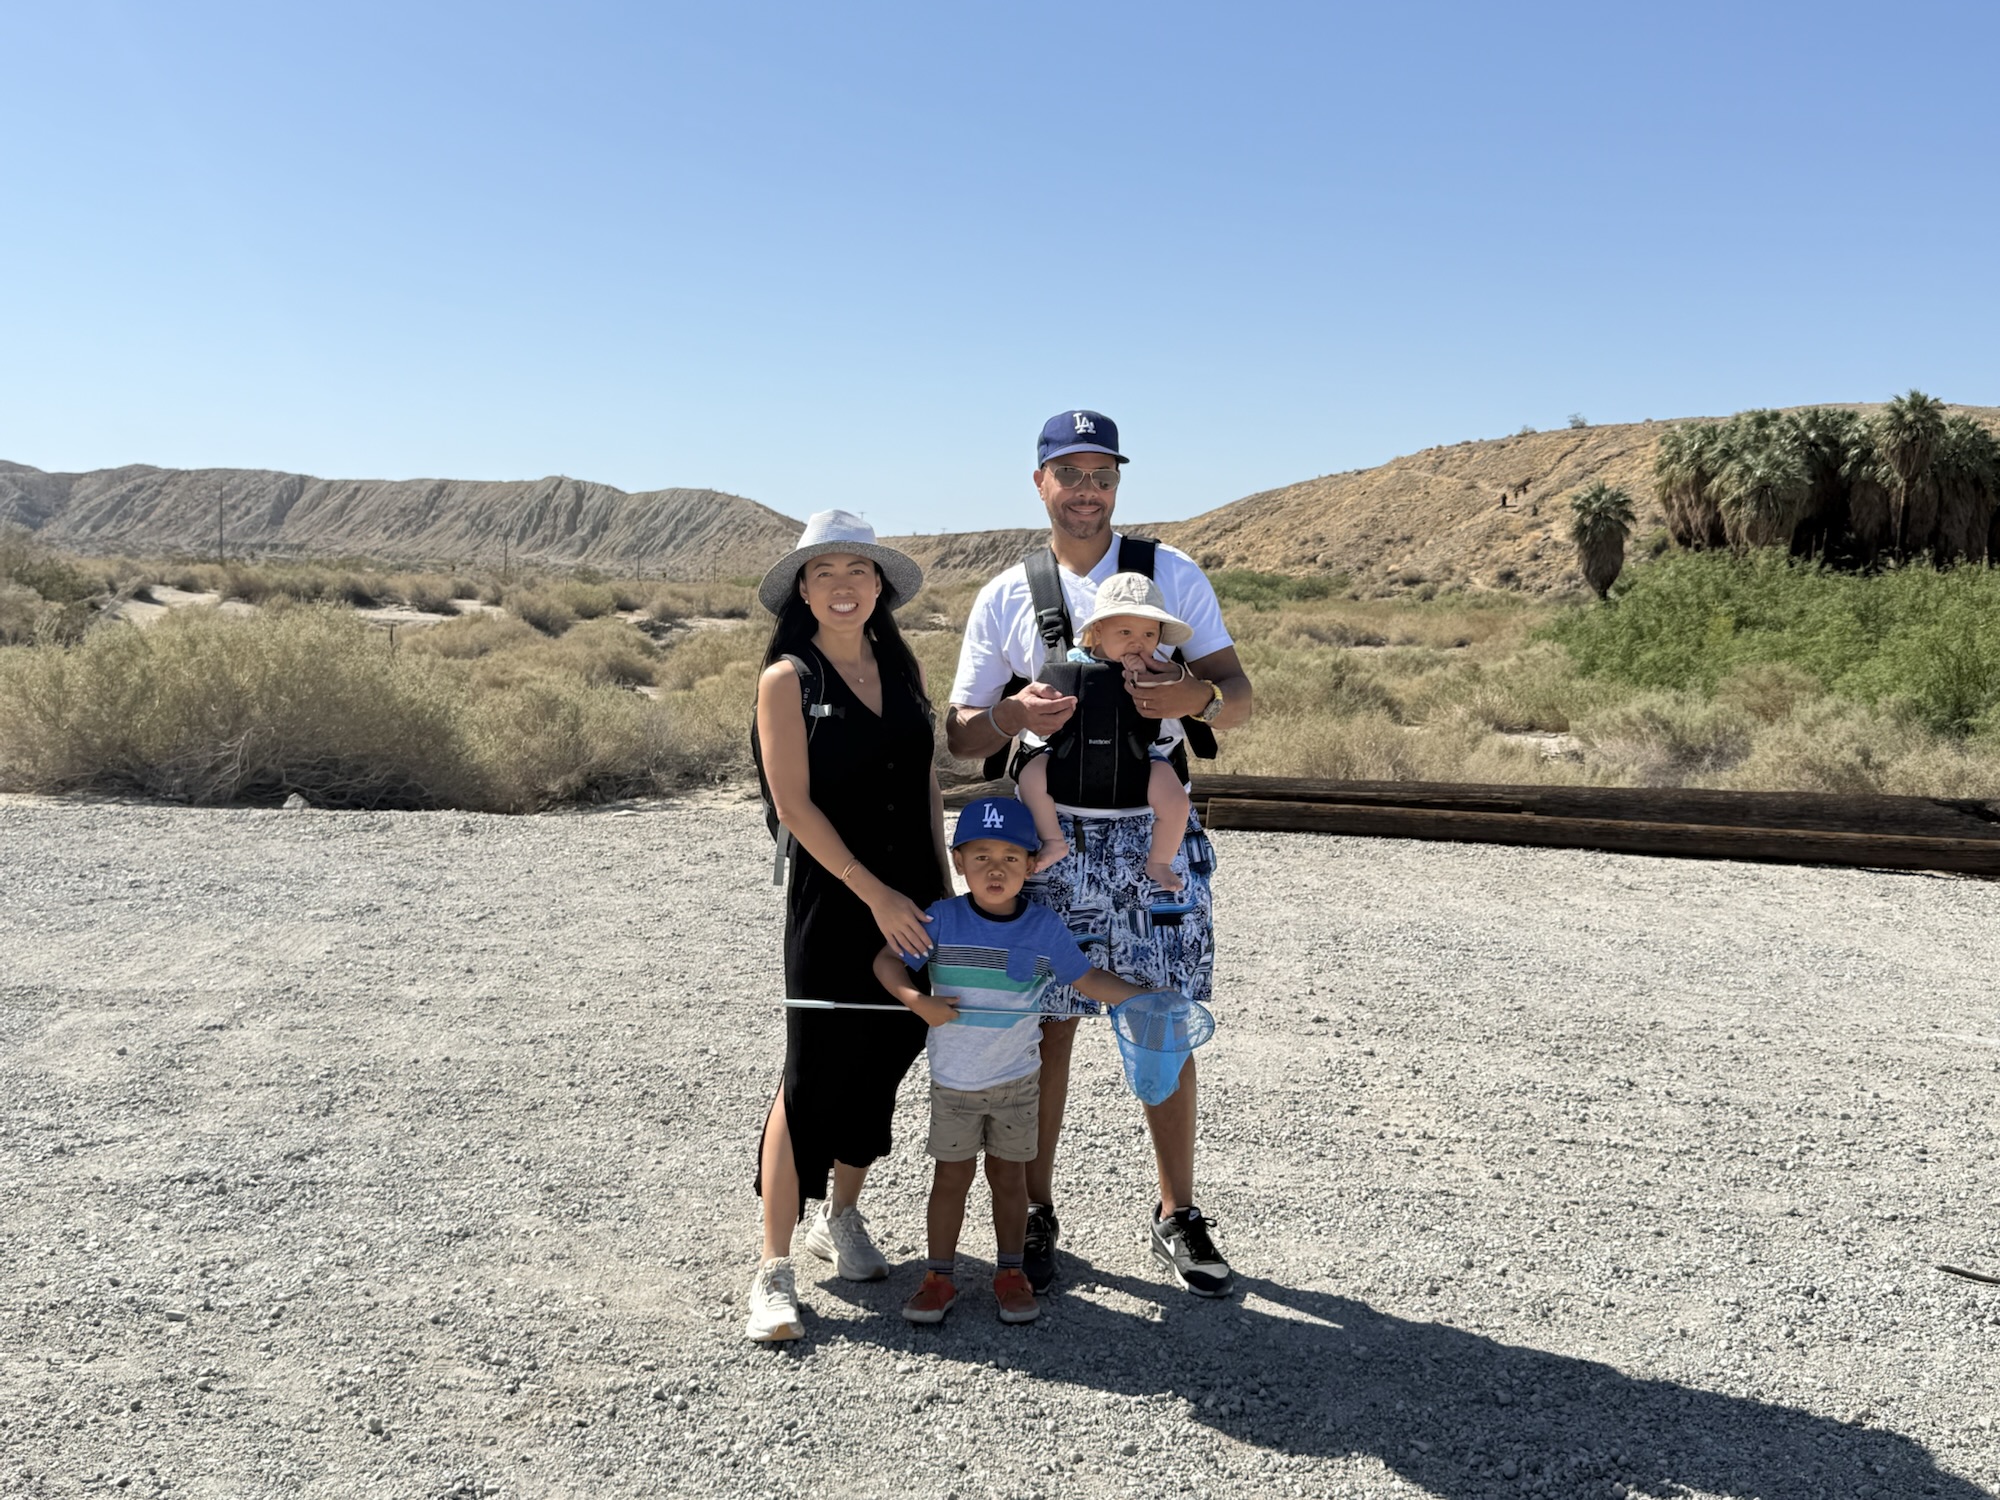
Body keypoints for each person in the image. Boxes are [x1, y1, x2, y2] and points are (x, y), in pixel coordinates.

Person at [946, 409, 1253, 1299]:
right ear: (1039, 482)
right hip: (1049, 846)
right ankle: (1037, 1209)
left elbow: (1237, 698)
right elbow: (962, 736)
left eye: (1102, 475)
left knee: (1163, 1019)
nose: (1088, 490)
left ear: (1117, 483)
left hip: (1150, 837)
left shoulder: (1172, 574)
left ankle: (1177, 1211)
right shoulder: (1008, 594)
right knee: (1044, 1026)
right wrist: (1011, 715)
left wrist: (1192, 696)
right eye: (1070, 473)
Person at [745, 510, 950, 1343]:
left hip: (915, 895)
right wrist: (875, 895)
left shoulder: (901, 669)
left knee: (885, 1057)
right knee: (812, 1071)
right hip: (836, 900)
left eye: (856, 571)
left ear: (878, 587)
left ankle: (843, 1216)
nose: (842, 586)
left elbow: (927, 785)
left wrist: (940, 892)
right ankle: (773, 1269)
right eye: (823, 572)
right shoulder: (788, 679)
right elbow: (794, 806)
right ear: (802, 589)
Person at [870, 797, 1150, 1326]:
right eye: (981, 857)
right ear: (959, 862)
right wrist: (916, 1001)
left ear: (1031, 864)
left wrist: (1143, 998)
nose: (995, 869)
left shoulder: (1044, 928)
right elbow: (886, 961)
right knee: (950, 1179)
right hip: (954, 1084)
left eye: (1010, 858)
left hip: (1017, 1084)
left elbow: (1087, 979)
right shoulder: (941, 919)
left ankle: (1011, 1273)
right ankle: (938, 1278)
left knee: (1010, 1179)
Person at [1014, 571, 1195, 890]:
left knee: (1176, 799)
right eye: (1125, 632)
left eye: (1149, 634)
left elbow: (1161, 704)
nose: (1138, 642)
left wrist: (1143, 678)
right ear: (1098, 631)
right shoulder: (1071, 662)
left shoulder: (1157, 669)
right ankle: (1053, 840)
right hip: (1070, 749)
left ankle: (1159, 861)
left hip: (1137, 752)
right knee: (1029, 777)